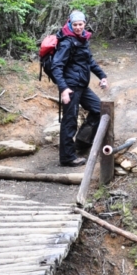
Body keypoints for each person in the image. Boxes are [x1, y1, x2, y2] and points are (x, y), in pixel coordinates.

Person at [50, 10, 108, 167]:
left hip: (81, 84)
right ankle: (67, 157)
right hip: (70, 86)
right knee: (69, 120)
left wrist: (102, 75)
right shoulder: (67, 42)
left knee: (99, 109)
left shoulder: (82, 39)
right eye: (75, 25)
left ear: (85, 24)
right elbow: (56, 65)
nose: (77, 27)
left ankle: (82, 142)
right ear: (70, 23)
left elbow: (89, 61)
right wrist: (63, 89)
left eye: (80, 24)